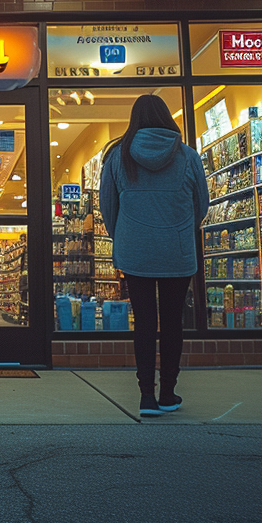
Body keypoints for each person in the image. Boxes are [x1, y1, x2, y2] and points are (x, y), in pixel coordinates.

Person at [98, 94, 209, 418]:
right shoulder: (188, 157)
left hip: (136, 251)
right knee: (173, 322)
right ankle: (169, 392)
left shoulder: (118, 157)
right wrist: (181, 229)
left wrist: (125, 236)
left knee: (144, 323)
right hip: (177, 250)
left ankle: (146, 396)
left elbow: (107, 207)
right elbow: (201, 205)